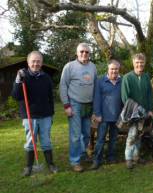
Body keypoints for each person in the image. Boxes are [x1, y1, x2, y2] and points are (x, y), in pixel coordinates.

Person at [11, 51, 58, 176]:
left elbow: (50, 97)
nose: (36, 64)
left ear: (41, 63)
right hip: (29, 116)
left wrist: (51, 113)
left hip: (45, 115)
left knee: (46, 141)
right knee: (30, 142)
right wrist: (18, 81)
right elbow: (16, 96)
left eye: (38, 61)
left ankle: (51, 164)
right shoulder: (22, 76)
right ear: (28, 62)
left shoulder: (46, 77)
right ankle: (28, 167)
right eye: (33, 61)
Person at [59, 43, 97, 172]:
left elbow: (95, 85)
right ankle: (75, 161)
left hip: (89, 105)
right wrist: (66, 105)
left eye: (87, 52)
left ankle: (83, 154)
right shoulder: (69, 67)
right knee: (75, 135)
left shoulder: (93, 67)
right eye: (82, 51)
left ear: (89, 54)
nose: (84, 54)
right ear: (77, 53)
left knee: (86, 134)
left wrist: (95, 106)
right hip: (74, 104)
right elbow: (63, 86)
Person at [121, 53, 153, 169]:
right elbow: (125, 98)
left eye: (141, 62)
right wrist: (136, 109)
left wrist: (150, 109)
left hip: (145, 112)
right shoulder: (127, 77)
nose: (139, 64)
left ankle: (136, 156)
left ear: (144, 63)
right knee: (132, 135)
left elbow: (150, 94)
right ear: (133, 63)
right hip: (132, 113)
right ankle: (128, 158)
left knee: (139, 134)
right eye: (137, 62)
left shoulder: (146, 77)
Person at [90, 60, 122, 170]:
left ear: (119, 69)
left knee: (113, 139)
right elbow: (96, 99)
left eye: (116, 69)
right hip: (103, 117)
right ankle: (97, 160)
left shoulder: (122, 81)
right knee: (100, 139)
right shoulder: (100, 81)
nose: (114, 71)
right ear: (108, 70)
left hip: (117, 116)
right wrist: (97, 114)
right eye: (112, 69)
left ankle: (111, 157)